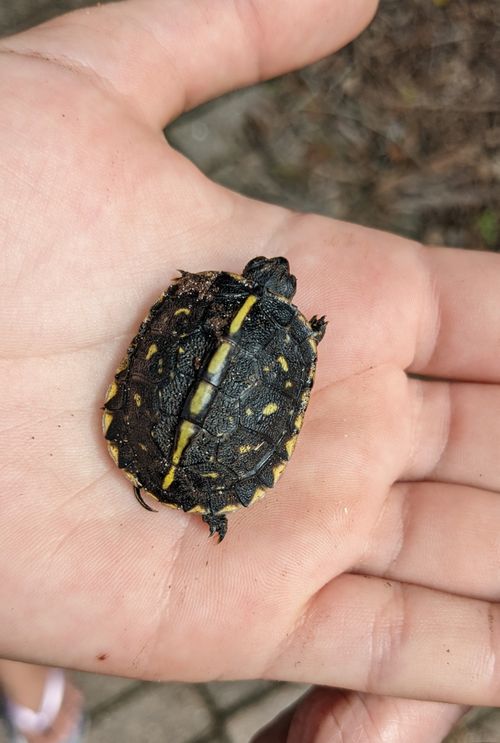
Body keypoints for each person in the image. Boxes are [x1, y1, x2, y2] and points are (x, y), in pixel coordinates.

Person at [0, 0, 498, 740]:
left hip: (159, 442)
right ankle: (42, 680)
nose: (277, 277)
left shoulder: (213, 294)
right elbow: (283, 389)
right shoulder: (296, 338)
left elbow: (174, 322)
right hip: (210, 480)